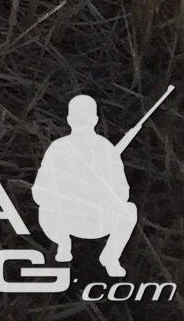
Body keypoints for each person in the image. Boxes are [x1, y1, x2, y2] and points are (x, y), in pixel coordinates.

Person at [34, 95, 139, 276]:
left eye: (85, 117)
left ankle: (110, 257)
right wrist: (67, 192)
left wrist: (101, 191)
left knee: (129, 210)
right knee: (45, 208)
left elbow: (123, 192)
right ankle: (63, 244)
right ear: (69, 120)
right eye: (78, 117)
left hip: (98, 219)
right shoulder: (58, 148)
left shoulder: (106, 149)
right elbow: (40, 190)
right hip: (63, 218)